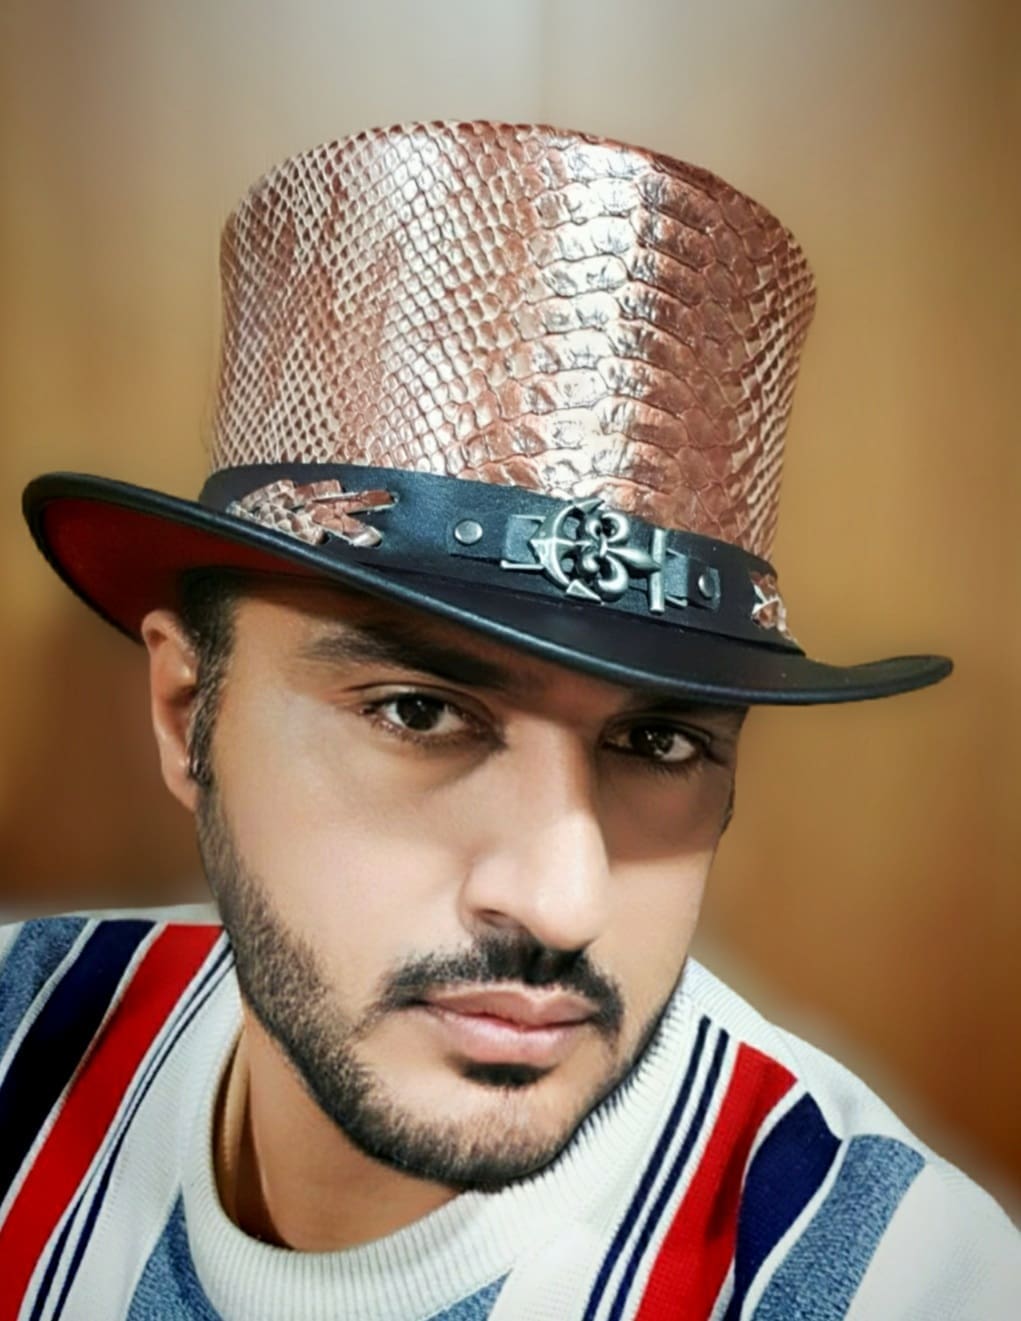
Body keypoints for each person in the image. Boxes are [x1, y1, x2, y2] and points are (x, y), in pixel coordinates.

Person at [3, 121, 1016, 1320]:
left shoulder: (891, 1276)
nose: (561, 902)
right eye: (419, 710)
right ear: (188, 714)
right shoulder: (23, 1027)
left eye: (658, 740)